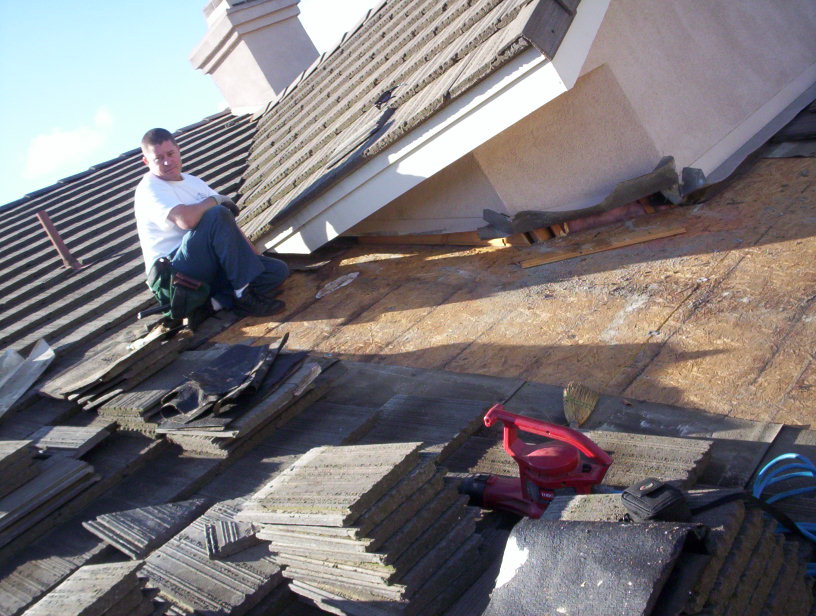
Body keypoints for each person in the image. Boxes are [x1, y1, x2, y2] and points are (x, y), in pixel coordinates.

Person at [134, 128, 288, 317]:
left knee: (275, 271)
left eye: (170, 153)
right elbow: (186, 220)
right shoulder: (149, 188)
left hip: (205, 264)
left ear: (178, 150)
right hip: (173, 274)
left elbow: (229, 228)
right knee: (216, 213)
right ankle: (243, 296)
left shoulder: (193, 182)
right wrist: (215, 200)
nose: (167, 161)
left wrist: (253, 259)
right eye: (158, 158)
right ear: (146, 161)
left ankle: (212, 304)